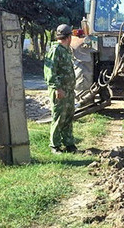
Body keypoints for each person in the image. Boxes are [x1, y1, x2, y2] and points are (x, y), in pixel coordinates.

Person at [44, 24, 77, 154]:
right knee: (58, 117)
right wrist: (57, 88)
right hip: (60, 91)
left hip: (68, 91)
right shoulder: (55, 50)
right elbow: (49, 72)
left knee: (68, 117)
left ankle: (69, 144)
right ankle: (55, 146)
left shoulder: (66, 50)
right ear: (69, 37)